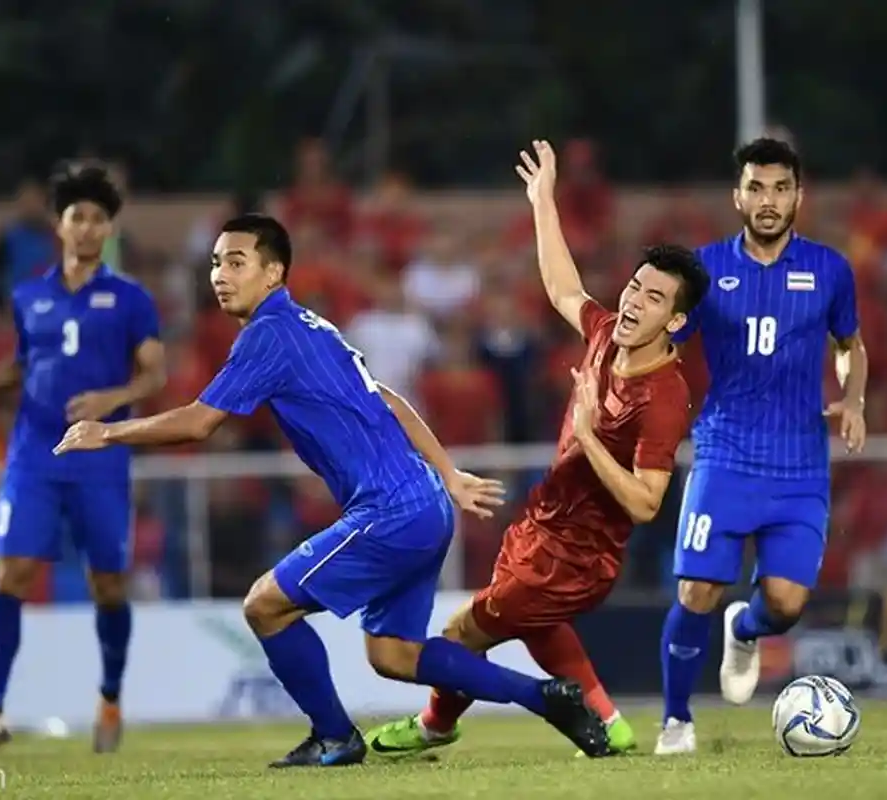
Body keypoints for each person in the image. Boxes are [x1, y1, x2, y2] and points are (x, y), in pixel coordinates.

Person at [53, 212, 610, 767]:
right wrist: (448, 475)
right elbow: (387, 398)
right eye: (217, 263)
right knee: (394, 654)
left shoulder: (268, 335)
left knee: (265, 606)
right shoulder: (312, 326)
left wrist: (109, 431)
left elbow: (201, 422)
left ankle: (333, 736)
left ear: (273, 274)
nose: (221, 274)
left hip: (390, 509)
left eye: (237, 262)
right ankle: (546, 697)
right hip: (425, 505)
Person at [365, 140, 707, 757]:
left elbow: (647, 503)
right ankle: (610, 722)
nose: (633, 301)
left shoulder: (662, 397)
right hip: (544, 527)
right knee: (538, 628)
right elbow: (561, 287)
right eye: (635, 287)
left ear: (676, 322)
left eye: (655, 299)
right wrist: (541, 201)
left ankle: (433, 726)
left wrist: (586, 438)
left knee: (460, 634)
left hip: (577, 556)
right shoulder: (607, 334)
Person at [655, 137, 868, 755]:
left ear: (799, 195)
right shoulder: (703, 271)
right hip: (724, 452)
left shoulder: (830, 270)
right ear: (737, 196)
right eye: (756, 188)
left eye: (780, 188)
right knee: (696, 590)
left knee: (785, 603)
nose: (768, 200)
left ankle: (745, 630)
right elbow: (663, 341)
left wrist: (853, 400)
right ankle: (676, 721)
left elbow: (849, 346)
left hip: (800, 462)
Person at [0, 162, 166, 752]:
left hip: (99, 457)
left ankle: (110, 696)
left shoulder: (130, 300)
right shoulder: (29, 295)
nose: (87, 228)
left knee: (108, 585)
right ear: (58, 224)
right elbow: (26, 366)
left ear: (109, 227)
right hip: (34, 456)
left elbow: (155, 374)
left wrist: (112, 398)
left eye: (98, 218)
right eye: (77, 217)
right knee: (11, 573)